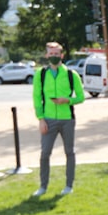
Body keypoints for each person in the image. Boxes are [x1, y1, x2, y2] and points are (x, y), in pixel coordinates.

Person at [32, 41, 85, 197]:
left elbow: (81, 97)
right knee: (45, 153)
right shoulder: (40, 74)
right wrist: (40, 119)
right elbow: (36, 98)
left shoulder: (71, 74)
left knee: (69, 152)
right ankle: (43, 187)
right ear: (47, 55)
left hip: (67, 119)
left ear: (62, 55)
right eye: (51, 53)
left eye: (57, 54)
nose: (54, 56)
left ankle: (69, 185)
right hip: (48, 119)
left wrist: (67, 100)